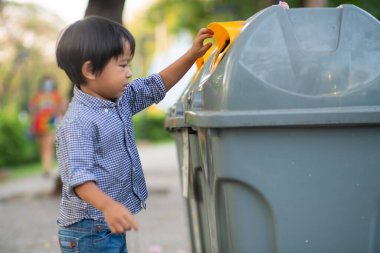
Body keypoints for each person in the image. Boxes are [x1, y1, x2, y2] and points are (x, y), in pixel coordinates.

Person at [55, 16, 213, 252]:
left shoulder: (121, 99)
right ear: (90, 70)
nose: (129, 73)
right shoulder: (78, 122)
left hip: (107, 222)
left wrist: (192, 55)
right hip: (89, 230)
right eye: (122, 65)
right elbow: (79, 179)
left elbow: (156, 85)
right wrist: (108, 207)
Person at [29, 77, 63, 177]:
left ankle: (47, 169)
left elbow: (61, 108)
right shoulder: (37, 96)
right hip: (38, 126)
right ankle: (46, 168)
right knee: (43, 148)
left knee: (47, 147)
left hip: (50, 125)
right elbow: (32, 109)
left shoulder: (56, 96)